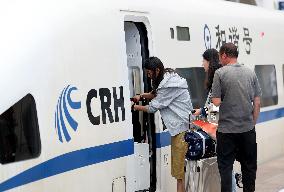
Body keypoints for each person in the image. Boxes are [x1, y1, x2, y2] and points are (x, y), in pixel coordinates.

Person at [132, 57, 193, 192]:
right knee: (180, 173)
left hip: (181, 132)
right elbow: (156, 94)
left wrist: (134, 107)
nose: (148, 76)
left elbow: (153, 107)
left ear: (157, 70)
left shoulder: (167, 86)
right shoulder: (168, 78)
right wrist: (140, 96)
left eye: (149, 73)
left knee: (179, 175)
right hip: (182, 129)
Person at [211, 43, 261, 192]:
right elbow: (257, 102)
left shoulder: (220, 73)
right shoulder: (250, 72)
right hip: (247, 130)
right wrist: (252, 123)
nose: (220, 60)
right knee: (249, 168)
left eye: (220, 57)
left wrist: (213, 124)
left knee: (226, 168)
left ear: (225, 55)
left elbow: (216, 103)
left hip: (226, 132)